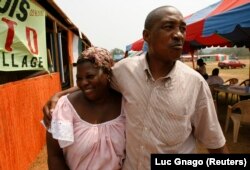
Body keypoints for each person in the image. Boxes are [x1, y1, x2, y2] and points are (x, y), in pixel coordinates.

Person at [43, 6, 228, 170]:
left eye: (182, 29)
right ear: (146, 36)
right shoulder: (125, 70)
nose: (178, 34)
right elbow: (96, 81)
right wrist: (60, 95)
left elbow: (215, 144)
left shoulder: (195, 84)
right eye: (168, 27)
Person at [45, 47, 125, 170]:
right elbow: (55, 156)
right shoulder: (64, 109)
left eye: (90, 76)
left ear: (107, 73)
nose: (83, 83)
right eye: (79, 78)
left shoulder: (126, 104)